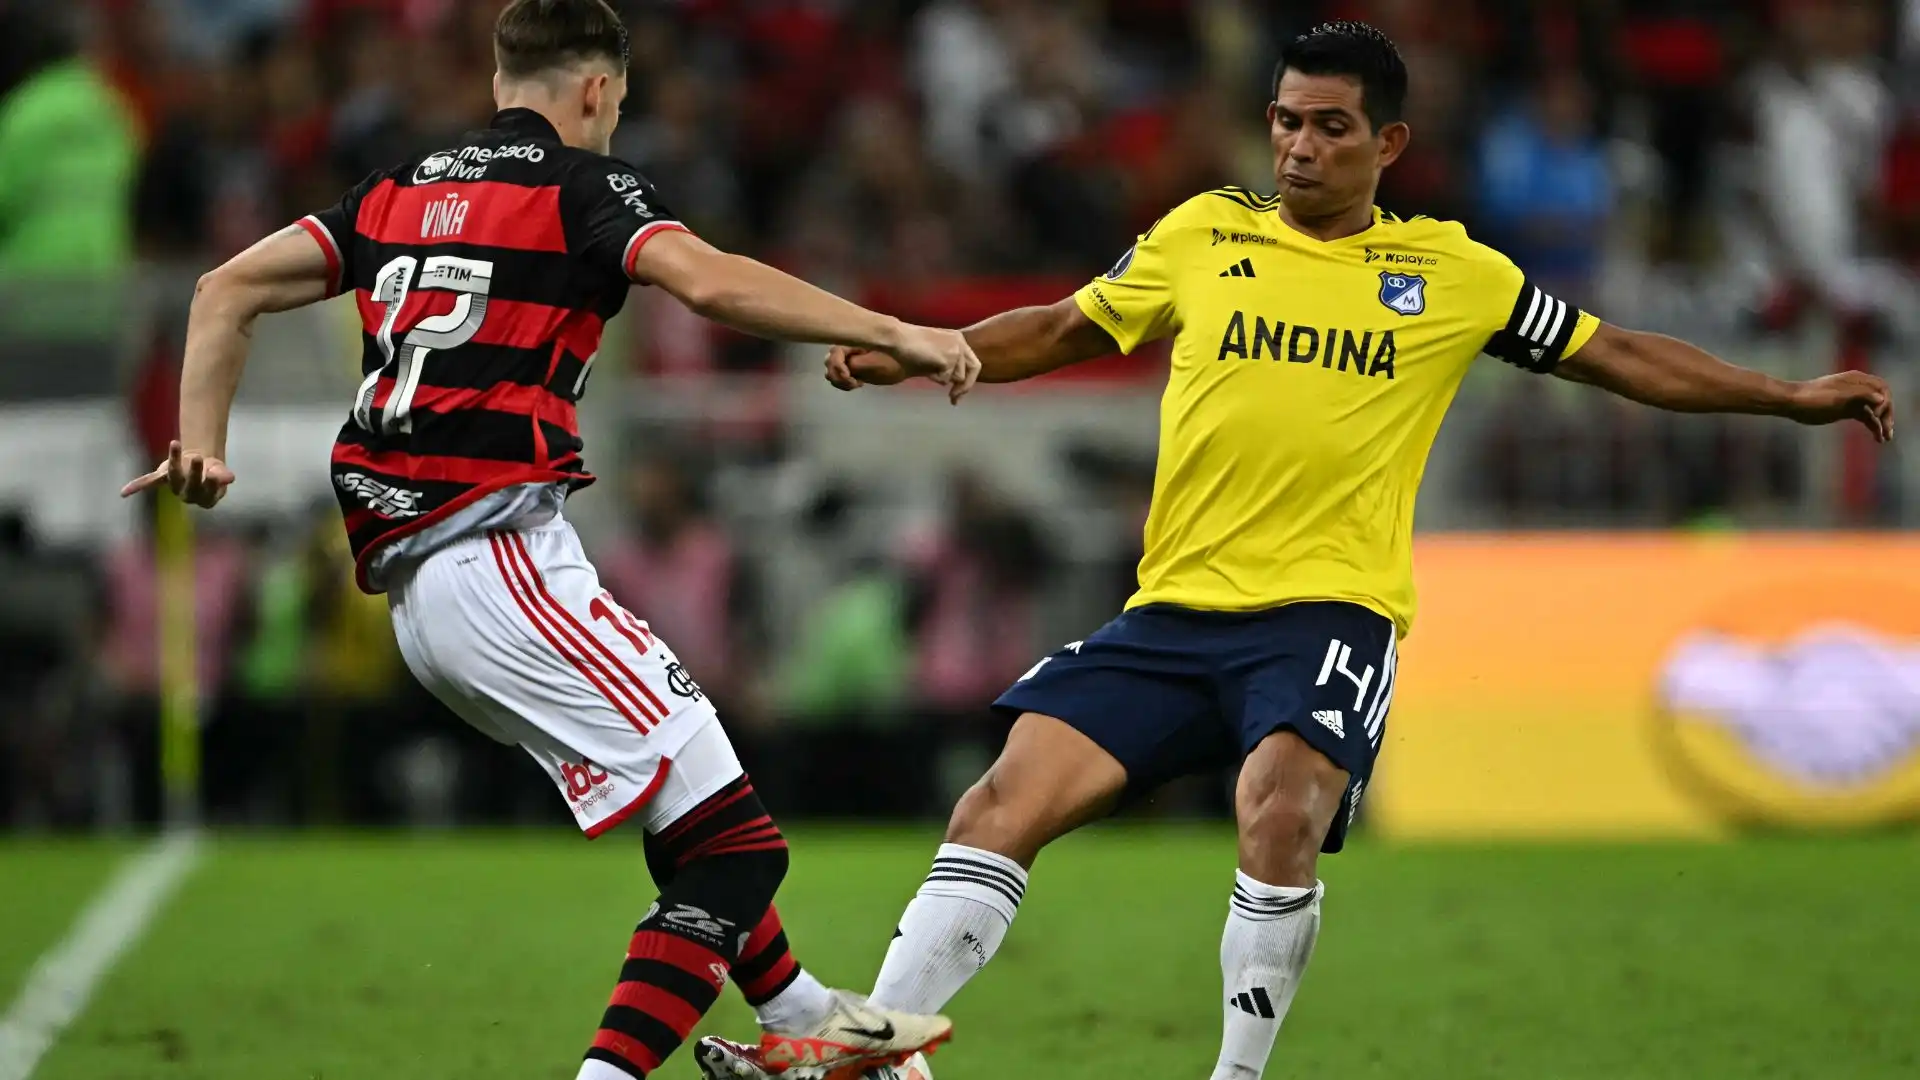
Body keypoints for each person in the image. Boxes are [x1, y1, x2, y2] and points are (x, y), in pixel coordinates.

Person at [695, 20, 1896, 1080]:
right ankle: (870, 1056)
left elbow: (1617, 353)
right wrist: (926, 345)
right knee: (1000, 799)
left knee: (1275, 810)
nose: (1297, 147)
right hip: (1172, 612)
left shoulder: (1455, 274)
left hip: (1326, 611)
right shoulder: (1202, 234)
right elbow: (1066, 327)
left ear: (1390, 144)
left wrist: (1784, 398)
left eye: (1328, 126)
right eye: (1283, 120)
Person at [119, 2, 980, 1078]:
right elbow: (708, 281)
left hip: (430, 592)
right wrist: (892, 326)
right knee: (740, 846)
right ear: (597, 90)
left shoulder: (401, 190)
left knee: (691, 811)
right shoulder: (583, 188)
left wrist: (201, 441)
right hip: (498, 563)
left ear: (497, 80)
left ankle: (803, 1017)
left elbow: (223, 289)